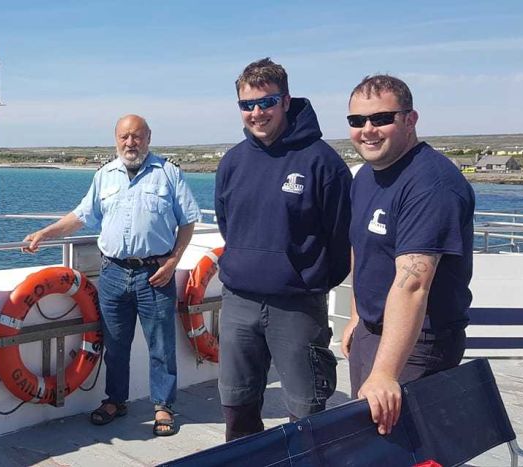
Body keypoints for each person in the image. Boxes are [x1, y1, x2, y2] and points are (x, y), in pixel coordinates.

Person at [23, 114, 200, 437]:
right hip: (114, 274)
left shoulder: (168, 174)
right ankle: (115, 400)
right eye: (124, 137)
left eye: (136, 136)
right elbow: (81, 217)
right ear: (115, 139)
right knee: (115, 345)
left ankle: (163, 406)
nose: (130, 143)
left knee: (161, 345)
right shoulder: (105, 175)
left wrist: (174, 261)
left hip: (155, 275)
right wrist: (45, 233)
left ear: (148, 137)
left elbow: (188, 220)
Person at [213, 58, 351, 441]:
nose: (257, 113)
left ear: (286, 101)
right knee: (236, 406)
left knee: (306, 411)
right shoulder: (232, 162)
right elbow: (229, 225)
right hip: (238, 300)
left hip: (297, 305)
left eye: (266, 102)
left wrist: (306, 278)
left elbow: (341, 237)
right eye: (247, 105)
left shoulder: (322, 161)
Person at [341, 74, 473, 436]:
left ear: (410, 119)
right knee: (369, 442)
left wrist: (385, 372)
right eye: (357, 121)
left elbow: (413, 284)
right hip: (372, 331)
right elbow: (362, 247)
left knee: (404, 447)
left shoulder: (432, 184)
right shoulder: (366, 177)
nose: (368, 130)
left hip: (417, 343)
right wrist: (356, 316)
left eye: (381, 118)